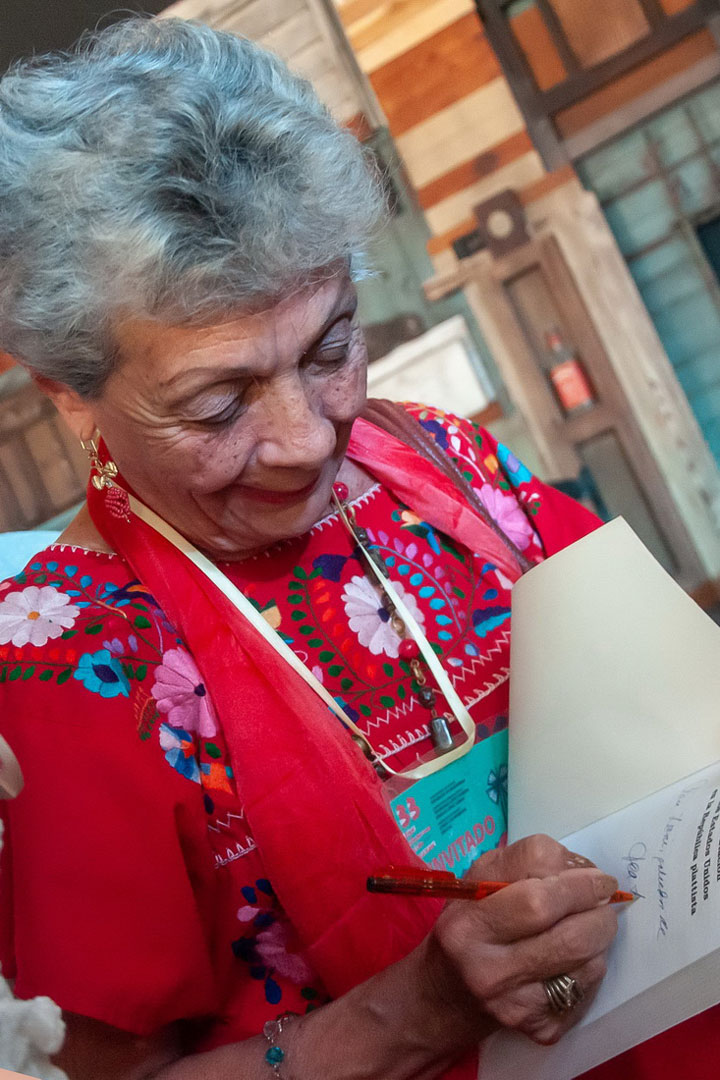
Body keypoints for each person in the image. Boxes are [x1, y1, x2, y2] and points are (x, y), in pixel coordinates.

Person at [0, 17, 636, 1080]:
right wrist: (413, 1014)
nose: (306, 442)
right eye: (215, 405)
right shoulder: (66, 665)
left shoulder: (442, 465)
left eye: (333, 345)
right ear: (72, 397)